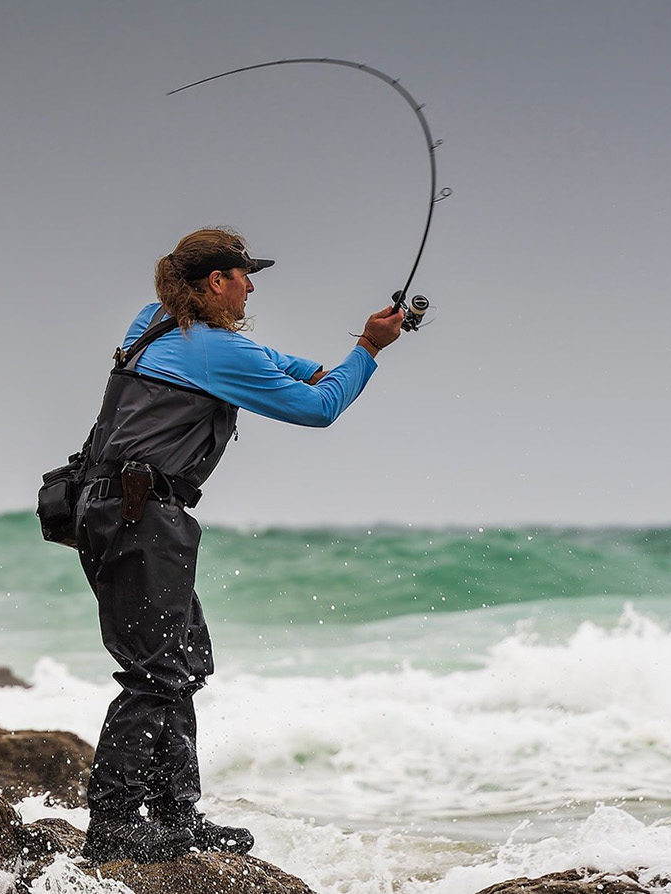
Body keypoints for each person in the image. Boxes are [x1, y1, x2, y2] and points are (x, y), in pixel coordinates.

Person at [72, 227, 404, 863]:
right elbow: (317, 411)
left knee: (183, 664)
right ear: (216, 282)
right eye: (244, 275)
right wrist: (367, 348)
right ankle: (113, 828)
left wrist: (313, 366)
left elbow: (267, 362)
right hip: (142, 515)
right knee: (156, 673)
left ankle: (175, 818)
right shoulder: (212, 351)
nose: (252, 285)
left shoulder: (158, 322)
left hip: (114, 509)